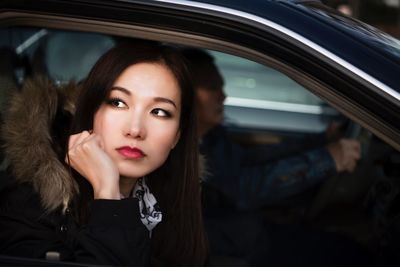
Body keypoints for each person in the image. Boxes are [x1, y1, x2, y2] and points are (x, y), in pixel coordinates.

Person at [0, 41, 207, 267]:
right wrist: (108, 193)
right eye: (118, 103)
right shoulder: (31, 201)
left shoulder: (173, 202)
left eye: (159, 112)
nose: (135, 129)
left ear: (177, 135)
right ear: (90, 113)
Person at [182, 48, 370, 267]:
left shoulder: (211, 137)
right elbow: (244, 190)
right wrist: (327, 159)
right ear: (185, 95)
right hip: (242, 245)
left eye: (221, 87)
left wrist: (320, 142)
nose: (223, 95)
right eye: (213, 87)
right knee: (346, 254)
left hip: (253, 230)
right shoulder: (184, 156)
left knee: (345, 246)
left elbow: (252, 159)